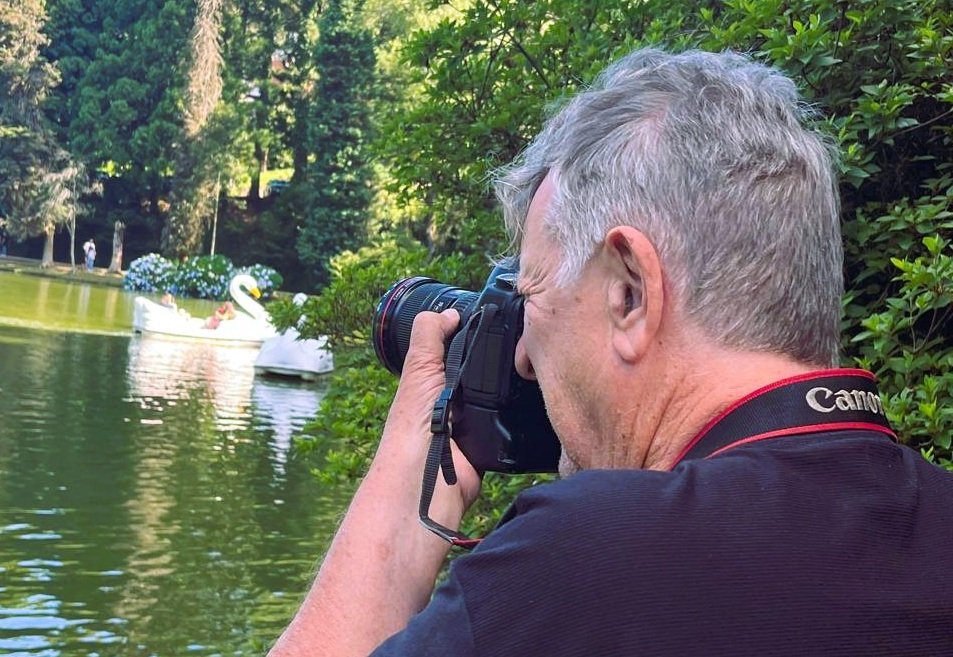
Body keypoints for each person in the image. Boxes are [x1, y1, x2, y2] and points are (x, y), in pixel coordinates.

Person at [268, 49, 953, 657]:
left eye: (531, 295)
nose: (522, 358)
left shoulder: (593, 558)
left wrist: (418, 456)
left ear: (630, 294)